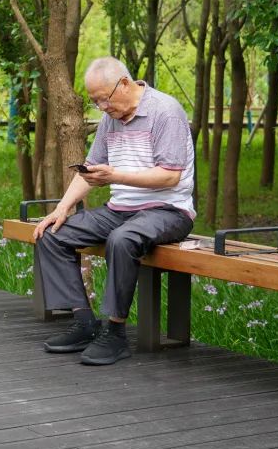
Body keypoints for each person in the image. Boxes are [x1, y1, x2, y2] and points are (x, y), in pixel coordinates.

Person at [33, 56, 195, 365]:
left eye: (102, 99)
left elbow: (170, 175)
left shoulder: (165, 111)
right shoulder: (111, 119)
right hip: (120, 209)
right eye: (94, 102)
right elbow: (90, 171)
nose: (102, 107)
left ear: (124, 84)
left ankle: (116, 334)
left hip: (168, 210)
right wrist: (62, 208)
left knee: (123, 239)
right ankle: (84, 323)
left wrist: (115, 176)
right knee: (52, 234)